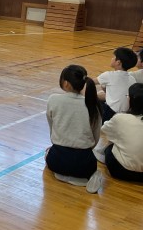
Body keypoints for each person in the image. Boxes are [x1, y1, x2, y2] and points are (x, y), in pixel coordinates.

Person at [45, 65, 103, 193]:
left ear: (65, 83)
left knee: (48, 153)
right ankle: (88, 177)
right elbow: (96, 137)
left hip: (57, 161)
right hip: (84, 163)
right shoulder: (93, 105)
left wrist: (59, 143)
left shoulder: (53, 99)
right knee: (88, 164)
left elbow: (52, 128)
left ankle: (64, 175)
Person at [101, 83, 143, 182]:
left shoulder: (121, 118)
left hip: (121, 171)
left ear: (131, 100)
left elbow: (104, 129)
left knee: (111, 144)